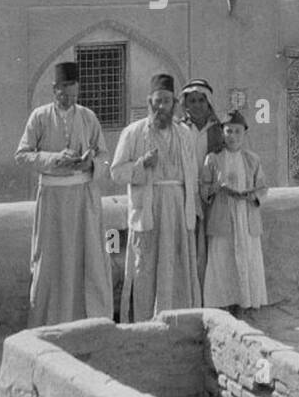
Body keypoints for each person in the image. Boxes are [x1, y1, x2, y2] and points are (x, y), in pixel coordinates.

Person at [15, 61, 112, 326]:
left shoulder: (88, 117)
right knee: (52, 259)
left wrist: (89, 163)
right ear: (53, 89)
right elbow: (22, 155)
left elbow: (104, 156)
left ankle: (84, 321)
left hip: (83, 199)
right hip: (53, 201)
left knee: (86, 257)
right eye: (63, 91)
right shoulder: (39, 117)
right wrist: (54, 158)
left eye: (73, 91)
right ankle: (49, 321)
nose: (67, 96)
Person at [109, 73, 200, 322]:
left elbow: (192, 175)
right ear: (149, 102)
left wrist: (192, 208)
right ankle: (145, 321)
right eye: (157, 101)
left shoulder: (184, 134)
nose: (162, 107)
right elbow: (116, 172)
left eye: (167, 101)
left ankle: (179, 320)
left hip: (178, 209)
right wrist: (141, 165)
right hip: (148, 208)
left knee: (177, 265)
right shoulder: (133, 133)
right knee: (145, 266)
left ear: (174, 104)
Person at [200, 110, 269, 315]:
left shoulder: (252, 159)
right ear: (222, 133)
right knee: (222, 261)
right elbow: (203, 190)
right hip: (223, 217)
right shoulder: (212, 159)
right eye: (229, 131)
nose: (233, 136)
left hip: (246, 217)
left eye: (237, 132)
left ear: (244, 134)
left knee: (247, 259)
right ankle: (223, 305)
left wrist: (251, 196)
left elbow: (263, 188)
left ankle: (243, 304)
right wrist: (217, 189)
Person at [179, 78, 224, 290]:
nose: (197, 105)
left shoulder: (221, 129)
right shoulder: (178, 128)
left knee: (213, 246)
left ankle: (213, 293)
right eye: (192, 100)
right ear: (185, 104)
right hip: (185, 196)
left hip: (213, 196)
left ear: (208, 103)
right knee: (189, 247)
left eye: (201, 100)